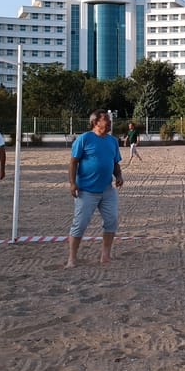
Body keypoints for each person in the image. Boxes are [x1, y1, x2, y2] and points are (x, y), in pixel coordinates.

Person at [66, 109, 123, 268]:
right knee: (80, 224)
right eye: (106, 119)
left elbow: (115, 162)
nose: (110, 122)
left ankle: (105, 256)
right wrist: (72, 183)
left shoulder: (112, 141)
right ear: (96, 122)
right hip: (86, 190)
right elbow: (73, 162)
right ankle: (72, 258)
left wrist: (118, 176)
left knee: (111, 221)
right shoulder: (84, 139)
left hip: (107, 190)